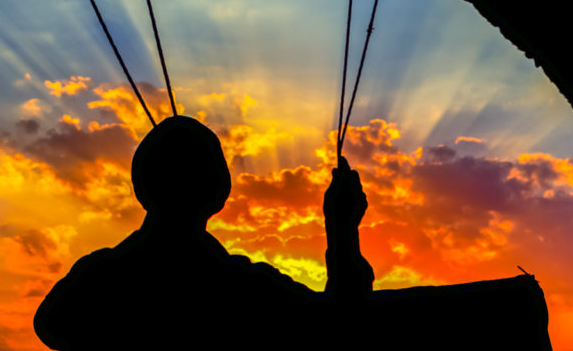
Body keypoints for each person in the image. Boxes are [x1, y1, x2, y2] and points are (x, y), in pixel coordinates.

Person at [33, 115, 372, 350]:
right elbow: (339, 327)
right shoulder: (242, 288)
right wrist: (342, 229)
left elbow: (49, 326)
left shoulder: (96, 277)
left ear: (140, 188)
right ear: (219, 193)